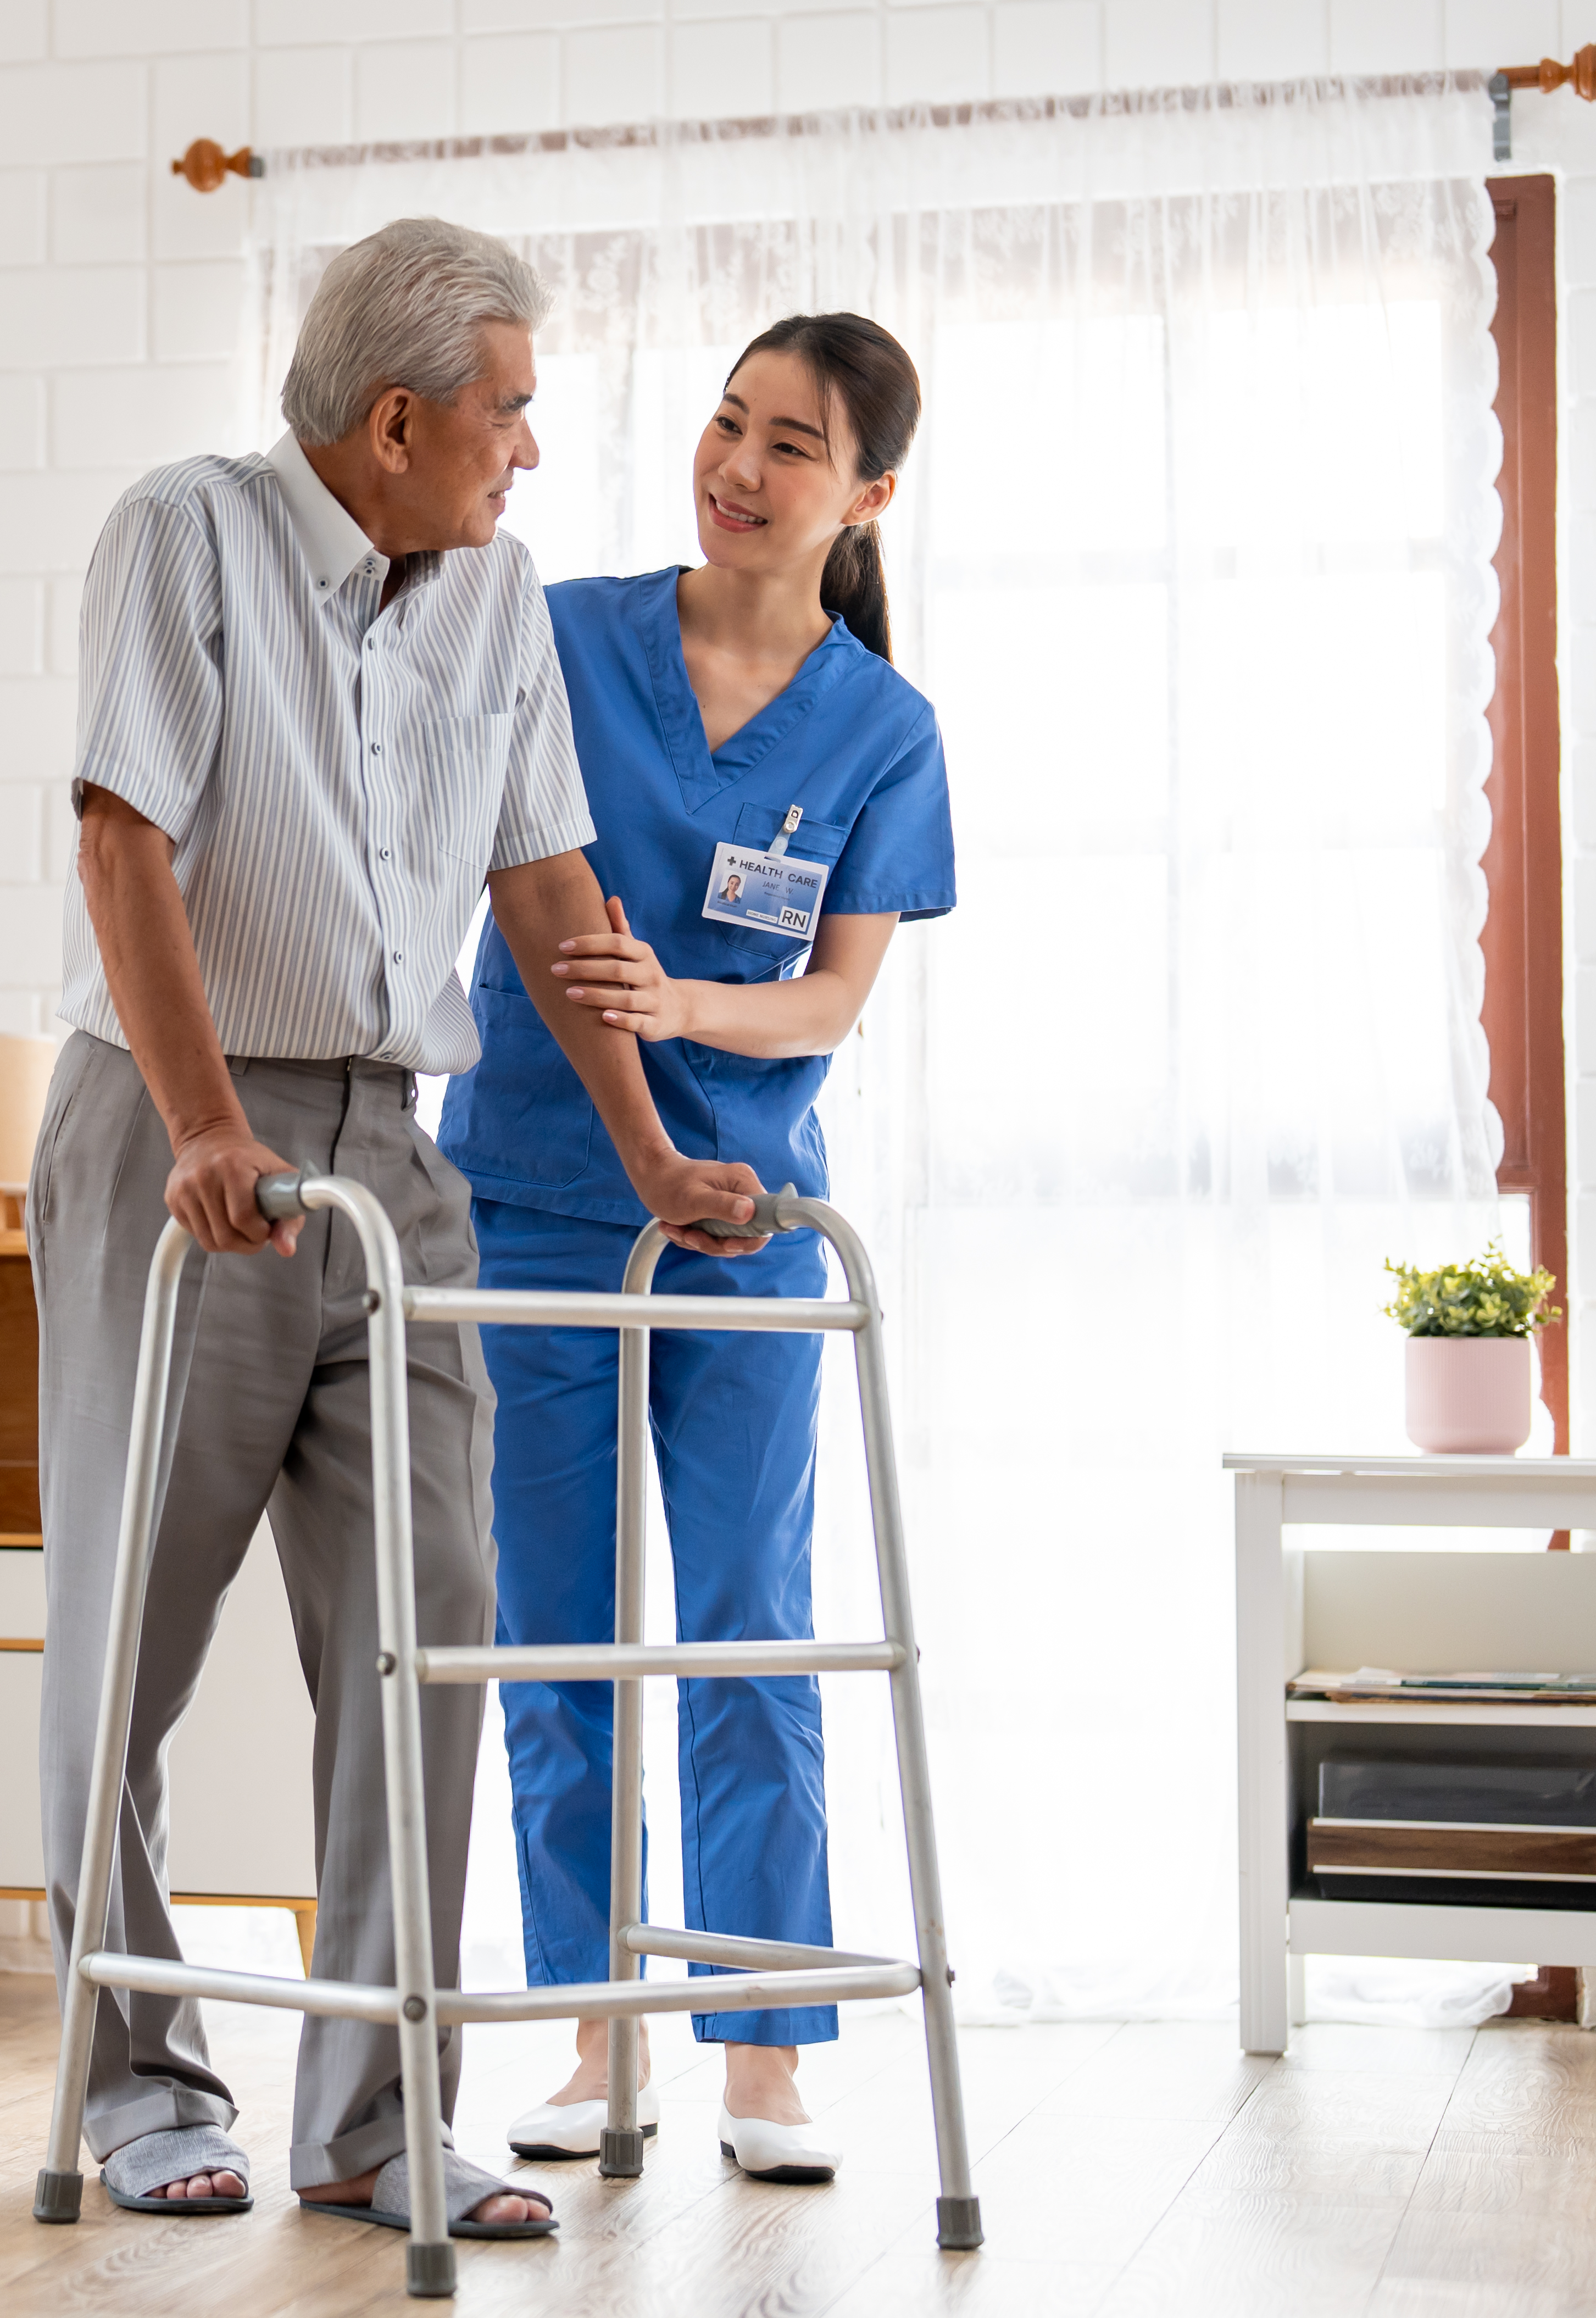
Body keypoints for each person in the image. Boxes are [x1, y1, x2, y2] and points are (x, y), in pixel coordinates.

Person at [33, 218, 764, 2242]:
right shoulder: (183, 535)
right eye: (508, 409)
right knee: (129, 1642)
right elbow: (125, 838)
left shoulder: (499, 598)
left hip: (392, 1152)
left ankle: (370, 2112)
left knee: (421, 1634)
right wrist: (194, 1122)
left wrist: (648, 1156)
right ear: (392, 417)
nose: (529, 449)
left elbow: (544, 894)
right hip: (175, 1131)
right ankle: (141, 2077)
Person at [438, 313, 955, 2186]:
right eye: (725, 425)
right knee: (553, 1627)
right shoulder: (556, 632)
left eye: (789, 446)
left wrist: (677, 1002)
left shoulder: (883, 729)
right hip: (530, 1195)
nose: (735, 468)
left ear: (868, 493)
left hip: (738, 1213)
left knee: (750, 1620)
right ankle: (593, 2034)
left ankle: (757, 2050)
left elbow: (827, 1000)